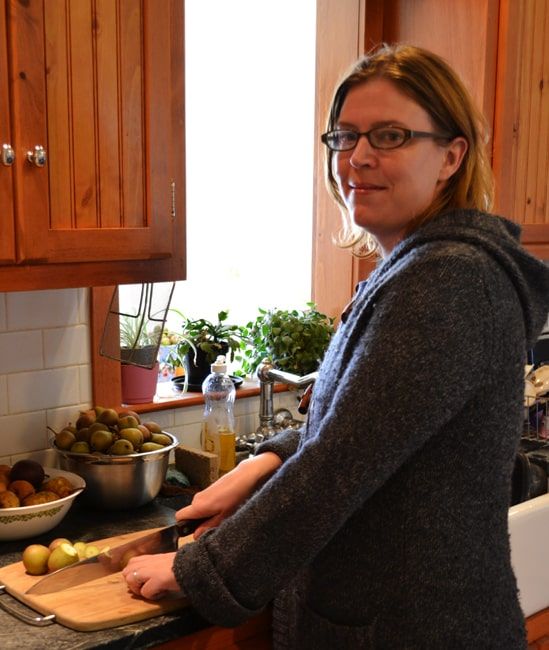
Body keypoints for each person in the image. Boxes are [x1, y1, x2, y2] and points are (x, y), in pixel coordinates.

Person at [122, 44, 549, 648]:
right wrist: (266, 460)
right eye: (345, 137)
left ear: (452, 156)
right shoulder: (421, 266)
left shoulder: (447, 279)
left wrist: (201, 570)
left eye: (391, 135)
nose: (358, 158)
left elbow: (339, 467)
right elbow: (375, 420)